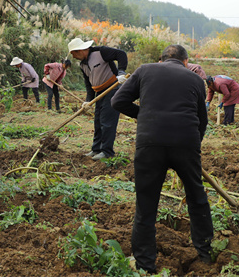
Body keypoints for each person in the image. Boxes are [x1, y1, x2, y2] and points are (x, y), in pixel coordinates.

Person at [111, 45, 213, 274]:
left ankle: (145, 265)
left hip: (150, 143)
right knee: (196, 197)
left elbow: (117, 102)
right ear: (186, 62)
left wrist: (145, 115)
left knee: (146, 205)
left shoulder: (144, 70)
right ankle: (206, 254)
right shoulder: (196, 79)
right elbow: (202, 120)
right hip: (186, 142)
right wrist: (193, 146)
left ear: (161, 60)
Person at [68, 38, 127, 160]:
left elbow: (121, 54)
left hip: (112, 89)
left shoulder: (101, 52)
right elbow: (88, 83)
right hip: (99, 92)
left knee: (107, 121)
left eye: (74, 54)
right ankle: (96, 149)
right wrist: (88, 100)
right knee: (98, 120)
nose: (73, 57)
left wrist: (121, 72)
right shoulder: (82, 65)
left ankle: (107, 152)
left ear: (80, 50)